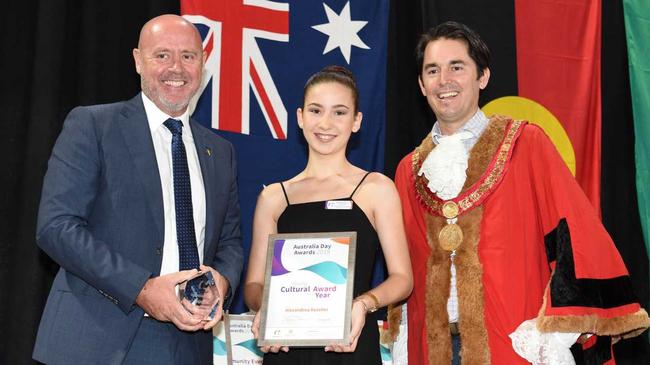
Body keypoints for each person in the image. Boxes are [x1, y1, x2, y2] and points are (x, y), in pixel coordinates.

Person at [389, 21, 650, 365]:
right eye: (432, 71)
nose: (444, 81)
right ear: (422, 85)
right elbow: (401, 268)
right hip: (430, 349)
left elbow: (575, 235)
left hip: (511, 344)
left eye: (457, 67)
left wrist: (562, 327)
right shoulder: (408, 171)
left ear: (482, 77)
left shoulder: (527, 144)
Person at [33, 14, 243, 365]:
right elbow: (56, 227)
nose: (176, 68)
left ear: (203, 65)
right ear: (137, 60)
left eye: (188, 56)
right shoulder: (93, 126)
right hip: (99, 341)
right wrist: (142, 289)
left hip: (189, 347)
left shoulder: (220, 151)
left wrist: (221, 282)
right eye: (162, 55)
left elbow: (231, 241)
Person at [244, 65, 413, 365]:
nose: (326, 123)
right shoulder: (273, 197)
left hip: (350, 345)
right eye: (316, 110)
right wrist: (266, 308)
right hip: (285, 351)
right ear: (300, 117)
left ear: (356, 121)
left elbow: (402, 278)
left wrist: (363, 304)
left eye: (339, 112)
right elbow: (254, 286)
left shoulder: (376, 188)